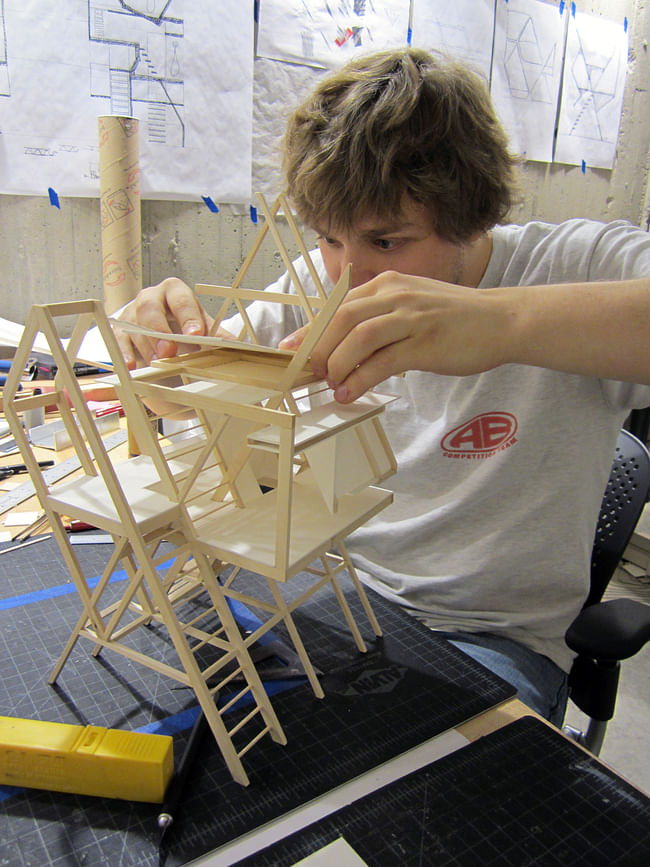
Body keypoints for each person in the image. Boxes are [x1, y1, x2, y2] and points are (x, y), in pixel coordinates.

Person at [115, 48, 650, 726]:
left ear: (471, 217)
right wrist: (160, 351)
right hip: (331, 596)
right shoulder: (315, 282)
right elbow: (191, 391)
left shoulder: (576, 264)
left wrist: (502, 322)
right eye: (330, 240)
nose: (349, 279)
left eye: (387, 242)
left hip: (486, 636)